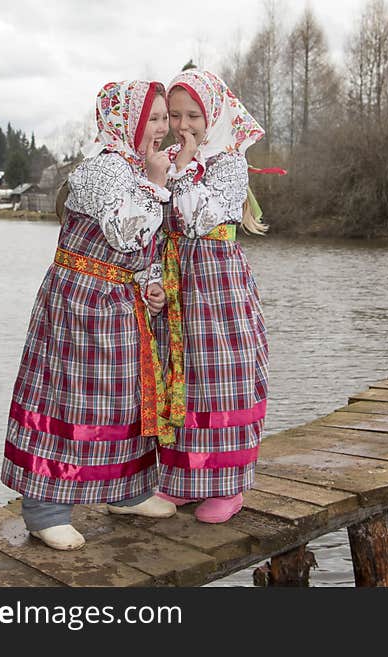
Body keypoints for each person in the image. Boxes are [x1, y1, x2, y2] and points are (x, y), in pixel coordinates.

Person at [1, 80, 177, 550]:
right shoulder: (104, 169)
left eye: (163, 118)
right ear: (128, 122)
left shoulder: (138, 171)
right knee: (69, 398)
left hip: (118, 300)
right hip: (79, 302)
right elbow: (123, 230)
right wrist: (157, 185)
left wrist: (151, 282)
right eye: (154, 118)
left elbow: (143, 247)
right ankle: (44, 509)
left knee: (124, 398)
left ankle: (127, 490)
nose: (163, 128)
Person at [152, 68, 270, 523]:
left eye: (193, 115)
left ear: (212, 114)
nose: (183, 126)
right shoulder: (162, 160)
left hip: (216, 282)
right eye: (175, 115)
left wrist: (180, 169)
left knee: (221, 374)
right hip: (175, 276)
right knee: (176, 373)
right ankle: (180, 479)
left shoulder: (228, 163)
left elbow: (200, 217)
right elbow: (156, 222)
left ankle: (227, 484)